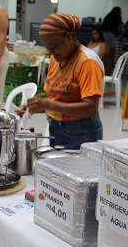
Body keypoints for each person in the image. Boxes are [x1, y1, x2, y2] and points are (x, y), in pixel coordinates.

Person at [20, 13, 104, 149]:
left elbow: (90, 108)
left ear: (69, 37)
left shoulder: (87, 62)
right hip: (56, 129)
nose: (51, 52)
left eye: (53, 46)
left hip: (82, 132)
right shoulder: (56, 59)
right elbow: (58, 99)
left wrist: (47, 104)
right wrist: (36, 107)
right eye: (47, 48)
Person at [101, 6, 123, 72]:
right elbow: (120, 28)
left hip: (102, 35)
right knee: (111, 55)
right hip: (109, 35)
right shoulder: (118, 16)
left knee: (104, 55)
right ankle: (108, 72)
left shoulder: (108, 16)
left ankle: (102, 71)